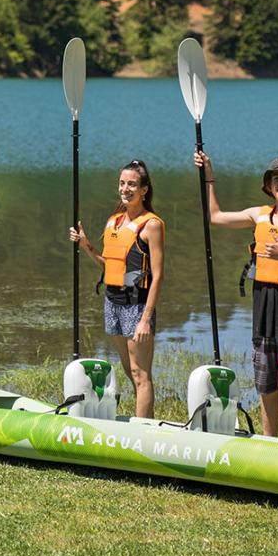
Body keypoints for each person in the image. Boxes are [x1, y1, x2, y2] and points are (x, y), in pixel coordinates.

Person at [194, 151, 278, 442]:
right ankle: (270, 441)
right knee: (267, 384)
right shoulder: (258, 214)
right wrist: (209, 175)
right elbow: (215, 217)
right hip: (263, 307)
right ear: (269, 185)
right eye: (277, 179)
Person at [69, 160, 163, 418]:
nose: (125, 189)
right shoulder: (114, 222)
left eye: (132, 184)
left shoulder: (151, 225)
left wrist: (145, 320)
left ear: (144, 189)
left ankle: (142, 431)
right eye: (122, 183)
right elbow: (110, 267)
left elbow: (158, 276)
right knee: (129, 370)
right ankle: (147, 421)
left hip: (136, 305)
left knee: (141, 374)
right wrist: (86, 245)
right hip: (112, 302)